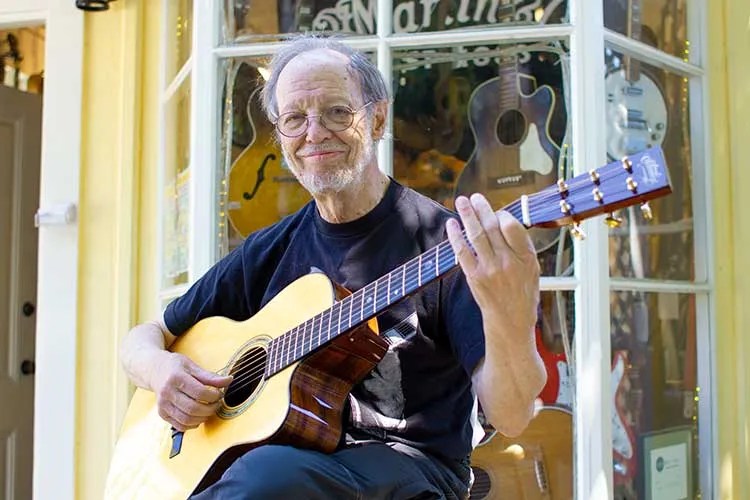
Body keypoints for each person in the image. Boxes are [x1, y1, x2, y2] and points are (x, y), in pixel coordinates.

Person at [119, 34, 546, 500]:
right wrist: (162, 371)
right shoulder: (268, 251)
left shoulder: (443, 245)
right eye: (294, 119)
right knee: (265, 472)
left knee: (266, 475)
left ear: (377, 118)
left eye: (337, 112)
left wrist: (511, 313)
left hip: (410, 468)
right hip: (284, 464)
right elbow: (141, 339)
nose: (314, 132)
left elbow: (512, 414)